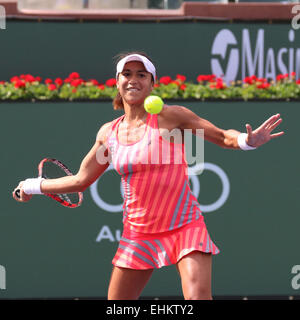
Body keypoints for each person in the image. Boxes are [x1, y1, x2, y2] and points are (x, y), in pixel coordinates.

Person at [12, 51, 284, 300]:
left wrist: (247, 141)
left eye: (141, 75)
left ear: (152, 84)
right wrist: (32, 185)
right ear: (117, 82)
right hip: (138, 233)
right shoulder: (109, 133)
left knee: (198, 297)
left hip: (184, 225)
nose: (133, 80)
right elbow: (81, 179)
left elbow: (224, 137)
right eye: (127, 74)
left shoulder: (171, 117)